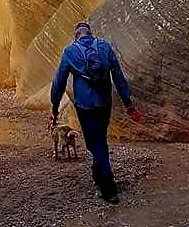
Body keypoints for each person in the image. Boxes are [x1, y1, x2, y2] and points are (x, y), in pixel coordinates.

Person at [49, 21, 139, 203]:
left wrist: (54, 108)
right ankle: (98, 174)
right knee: (100, 139)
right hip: (104, 103)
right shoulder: (104, 46)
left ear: (76, 35)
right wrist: (128, 103)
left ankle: (108, 186)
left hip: (85, 105)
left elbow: (59, 82)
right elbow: (119, 77)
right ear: (90, 33)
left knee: (94, 143)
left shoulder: (70, 52)